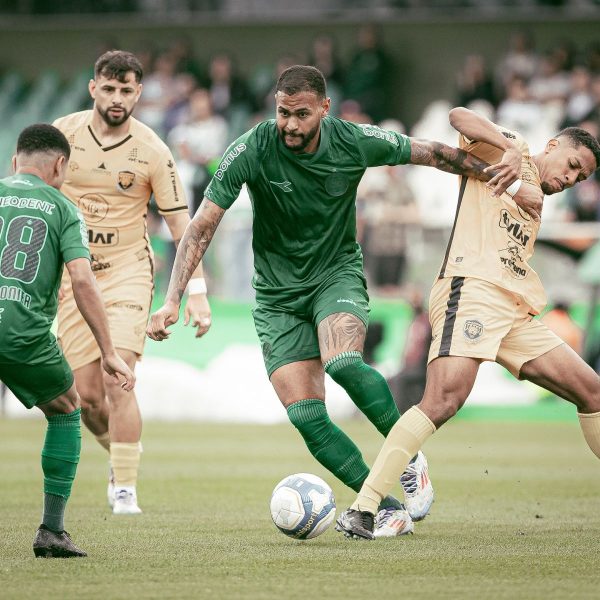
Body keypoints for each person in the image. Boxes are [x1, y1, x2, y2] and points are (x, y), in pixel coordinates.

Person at [147, 66, 539, 538]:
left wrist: (515, 186)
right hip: (276, 296)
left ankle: (410, 459)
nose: (289, 124)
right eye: (283, 113)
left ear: (325, 109)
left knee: (344, 362)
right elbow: (202, 224)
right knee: (306, 417)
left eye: (301, 115)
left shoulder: (352, 140)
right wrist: (174, 299)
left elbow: (433, 153)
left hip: (336, 275)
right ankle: (386, 509)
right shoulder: (252, 147)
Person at [336, 108, 600, 540]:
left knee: (592, 392)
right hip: (472, 289)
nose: (572, 178)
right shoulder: (507, 148)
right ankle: (364, 509)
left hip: (514, 310)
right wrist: (513, 151)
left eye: (582, 178)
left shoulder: (537, 199)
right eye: (573, 165)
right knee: (441, 402)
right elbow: (459, 117)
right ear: (552, 146)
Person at [54, 50, 211, 515]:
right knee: (86, 399)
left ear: (139, 93)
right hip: (74, 276)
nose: (118, 98)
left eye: (127, 90)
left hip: (127, 272)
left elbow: (184, 227)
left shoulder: (153, 150)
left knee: (118, 376)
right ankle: (121, 454)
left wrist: (195, 294)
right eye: (109, 88)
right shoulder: (62, 135)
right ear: (93, 88)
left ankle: (124, 490)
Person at [1, 124, 135, 557]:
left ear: (15, 160)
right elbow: (82, 280)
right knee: (65, 409)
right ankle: (51, 531)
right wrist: (109, 352)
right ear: (60, 165)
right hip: (22, 333)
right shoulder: (63, 207)